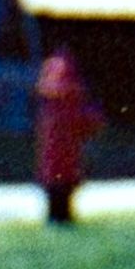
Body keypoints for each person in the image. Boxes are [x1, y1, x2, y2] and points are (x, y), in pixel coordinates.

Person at [32, 45, 106, 225]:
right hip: (67, 162)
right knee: (63, 192)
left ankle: (56, 219)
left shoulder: (49, 107)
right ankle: (62, 218)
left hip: (54, 163)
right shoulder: (72, 103)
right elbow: (92, 122)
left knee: (56, 193)